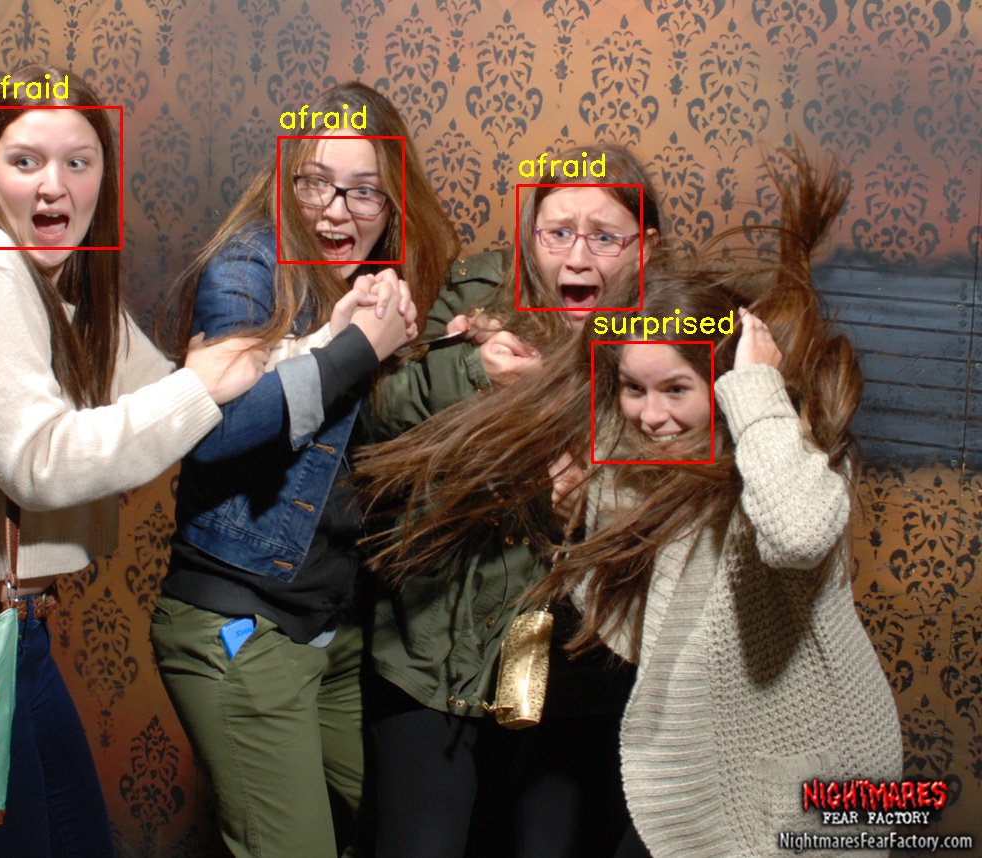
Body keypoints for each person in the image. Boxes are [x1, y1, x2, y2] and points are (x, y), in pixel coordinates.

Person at [359, 149, 903, 858]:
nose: (652, 414)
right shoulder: (496, 310)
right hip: (664, 756)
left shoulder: (770, 440)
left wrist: (756, 390)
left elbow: (796, 534)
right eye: (558, 232)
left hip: (798, 771)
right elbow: (627, 609)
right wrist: (565, 514)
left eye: (676, 389)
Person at [0, 64, 267, 858]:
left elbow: (164, 389)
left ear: (102, 176)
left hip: (11, 638)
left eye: (77, 162)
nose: (54, 186)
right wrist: (199, 387)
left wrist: (336, 341)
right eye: (26, 161)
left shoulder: (43, 281)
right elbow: (39, 464)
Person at [149, 81, 459, 858]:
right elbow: (213, 432)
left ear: (393, 201)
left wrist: (459, 351)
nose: (333, 211)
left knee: (409, 831)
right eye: (315, 183)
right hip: (243, 623)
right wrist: (355, 349)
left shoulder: (386, 282)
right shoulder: (250, 265)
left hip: (335, 627)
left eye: (364, 191)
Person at [358, 144, 663, 858]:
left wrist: (596, 494)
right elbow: (380, 408)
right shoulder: (478, 291)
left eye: (604, 236)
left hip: (576, 676)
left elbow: (689, 484)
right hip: (436, 649)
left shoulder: (669, 334)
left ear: (644, 246)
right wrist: (473, 368)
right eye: (557, 233)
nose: (576, 258)